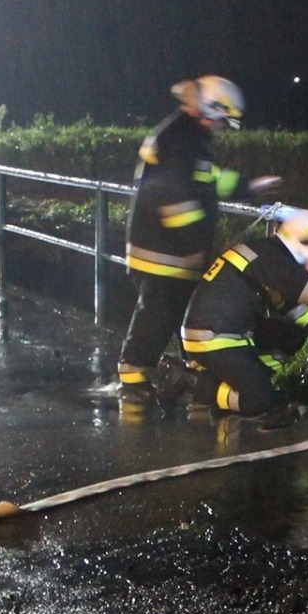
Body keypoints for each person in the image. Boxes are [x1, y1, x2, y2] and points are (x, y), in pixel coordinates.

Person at [108, 76, 277, 406]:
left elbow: (209, 182)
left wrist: (251, 186)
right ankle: (132, 377)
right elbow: (173, 199)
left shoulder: (191, 138)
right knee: (157, 314)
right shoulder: (179, 139)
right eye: (222, 120)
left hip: (175, 252)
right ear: (211, 109)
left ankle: (193, 372)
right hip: (162, 253)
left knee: (186, 312)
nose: (222, 128)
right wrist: (194, 243)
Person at [157, 208, 308, 428]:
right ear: (304, 242)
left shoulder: (267, 257)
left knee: (292, 335)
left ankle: (230, 382)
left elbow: (305, 316)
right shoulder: (272, 258)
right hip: (213, 339)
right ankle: (189, 381)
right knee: (261, 401)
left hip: (221, 334)